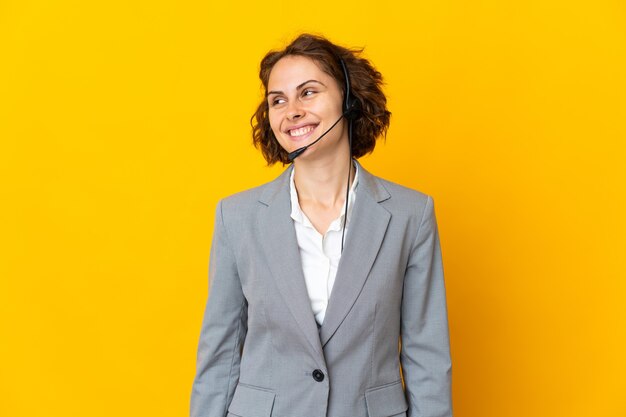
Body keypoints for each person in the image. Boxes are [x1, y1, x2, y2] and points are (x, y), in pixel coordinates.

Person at [190, 33, 453, 417]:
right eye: (277, 100)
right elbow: (220, 353)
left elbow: (427, 356)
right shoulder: (237, 217)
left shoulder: (411, 215)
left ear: (348, 100)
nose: (291, 110)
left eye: (308, 92)